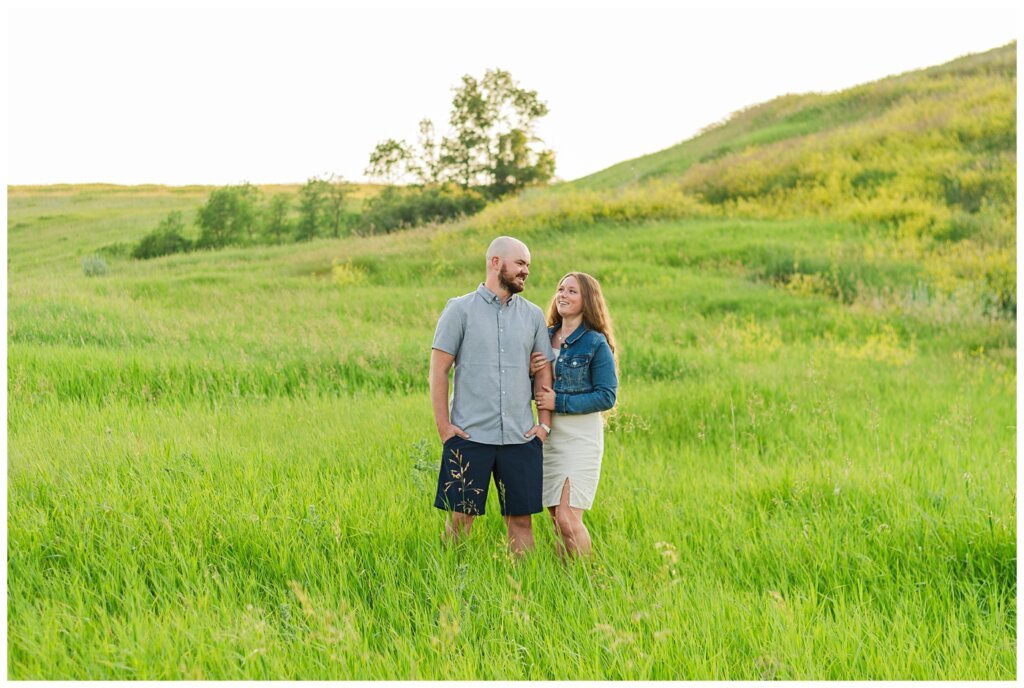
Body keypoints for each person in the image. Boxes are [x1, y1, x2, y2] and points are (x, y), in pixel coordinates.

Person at [430, 236, 555, 556]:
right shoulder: (459, 310)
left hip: (521, 437)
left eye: (528, 264)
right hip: (470, 435)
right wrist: (444, 428)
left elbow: (543, 372)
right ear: (495, 262)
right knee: (461, 518)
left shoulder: (532, 315)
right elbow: (438, 371)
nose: (526, 271)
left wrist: (543, 426)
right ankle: (449, 580)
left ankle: (523, 588)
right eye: (520, 263)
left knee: (522, 520)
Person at [530, 272, 618, 558]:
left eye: (572, 291)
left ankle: (586, 579)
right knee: (558, 521)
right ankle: (566, 582)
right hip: (549, 437)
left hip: (580, 438)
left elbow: (607, 395)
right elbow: (531, 387)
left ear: (587, 300)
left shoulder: (594, 343)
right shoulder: (544, 335)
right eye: (560, 289)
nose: (563, 295)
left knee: (568, 518)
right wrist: (529, 372)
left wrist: (561, 401)